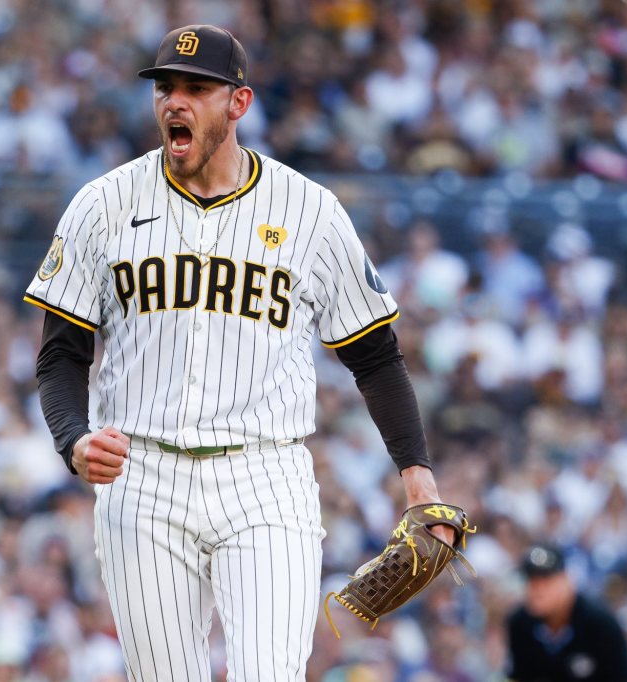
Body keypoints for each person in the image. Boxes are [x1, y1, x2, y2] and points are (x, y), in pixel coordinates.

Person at [26, 24, 456, 680]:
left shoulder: (310, 212)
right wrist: (71, 440)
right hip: (143, 477)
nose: (176, 101)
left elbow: (375, 355)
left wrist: (416, 474)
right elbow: (61, 353)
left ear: (239, 103)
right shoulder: (103, 205)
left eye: (197, 88)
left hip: (265, 478)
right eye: (166, 87)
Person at [506, 542, 627, 682]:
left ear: (566, 581)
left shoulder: (600, 623)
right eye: (530, 580)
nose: (535, 589)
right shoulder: (520, 624)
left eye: (545, 580)